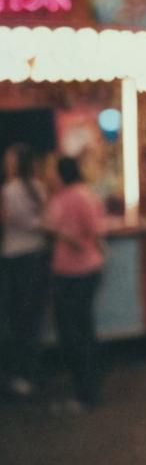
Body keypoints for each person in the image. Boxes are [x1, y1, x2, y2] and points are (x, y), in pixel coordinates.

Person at [43, 155, 106, 413]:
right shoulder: (85, 194)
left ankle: (85, 393)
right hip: (86, 271)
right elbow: (97, 230)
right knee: (83, 330)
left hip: (73, 273)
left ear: (60, 173)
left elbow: (85, 233)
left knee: (73, 334)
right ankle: (89, 388)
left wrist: (64, 236)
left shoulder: (69, 198)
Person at [0, 143, 49, 398]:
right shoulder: (38, 187)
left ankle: (23, 373)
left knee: (19, 318)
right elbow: (41, 220)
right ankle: (32, 370)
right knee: (32, 317)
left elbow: (14, 221)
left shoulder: (10, 190)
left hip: (18, 259)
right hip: (37, 256)